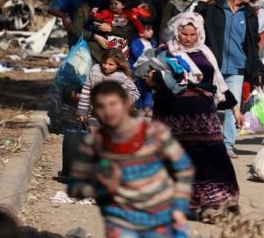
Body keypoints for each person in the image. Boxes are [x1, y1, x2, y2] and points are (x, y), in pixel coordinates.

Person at [147, 12, 242, 222]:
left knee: (214, 158)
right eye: (184, 34)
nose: (188, 38)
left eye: (192, 34)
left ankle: (215, 205)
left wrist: (235, 109)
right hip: (173, 119)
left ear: (198, 33)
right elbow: (148, 77)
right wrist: (156, 79)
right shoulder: (164, 52)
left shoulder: (206, 53)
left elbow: (218, 84)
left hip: (203, 118)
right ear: (177, 32)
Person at [69, 81, 194, 238]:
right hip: (120, 223)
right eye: (100, 106)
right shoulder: (94, 144)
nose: (108, 111)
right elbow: (75, 187)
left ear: (127, 103)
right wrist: (102, 187)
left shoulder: (155, 133)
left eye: (113, 104)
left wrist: (179, 207)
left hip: (161, 219)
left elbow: (184, 168)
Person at [204, 0, 263, 157]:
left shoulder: (250, 14)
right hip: (215, 65)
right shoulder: (214, 9)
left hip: (237, 67)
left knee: (233, 105)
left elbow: (253, 43)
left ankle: (228, 144)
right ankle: (206, 139)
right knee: (210, 103)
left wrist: (255, 69)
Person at [70, 0, 134, 63]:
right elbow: (75, 28)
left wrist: (111, 29)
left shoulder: (113, 5)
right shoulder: (85, 6)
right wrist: (95, 37)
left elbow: (127, 29)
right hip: (91, 47)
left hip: (114, 49)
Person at [77, 49, 139, 122]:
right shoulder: (95, 70)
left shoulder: (122, 77)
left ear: (118, 65)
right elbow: (86, 90)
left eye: (111, 64)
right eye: (104, 63)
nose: (106, 66)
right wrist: (82, 110)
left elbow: (135, 93)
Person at [130, 24, 157, 117]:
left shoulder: (153, 42)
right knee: (138, 86)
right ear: (141, 33)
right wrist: (151, 55)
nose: (151, 31)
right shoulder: (136, 42)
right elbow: (137, 54)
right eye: (148, 30)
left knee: (149, 86)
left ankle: (148, 106)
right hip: (138, 69)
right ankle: (139, 106)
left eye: (152, 29)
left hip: (149, 69)